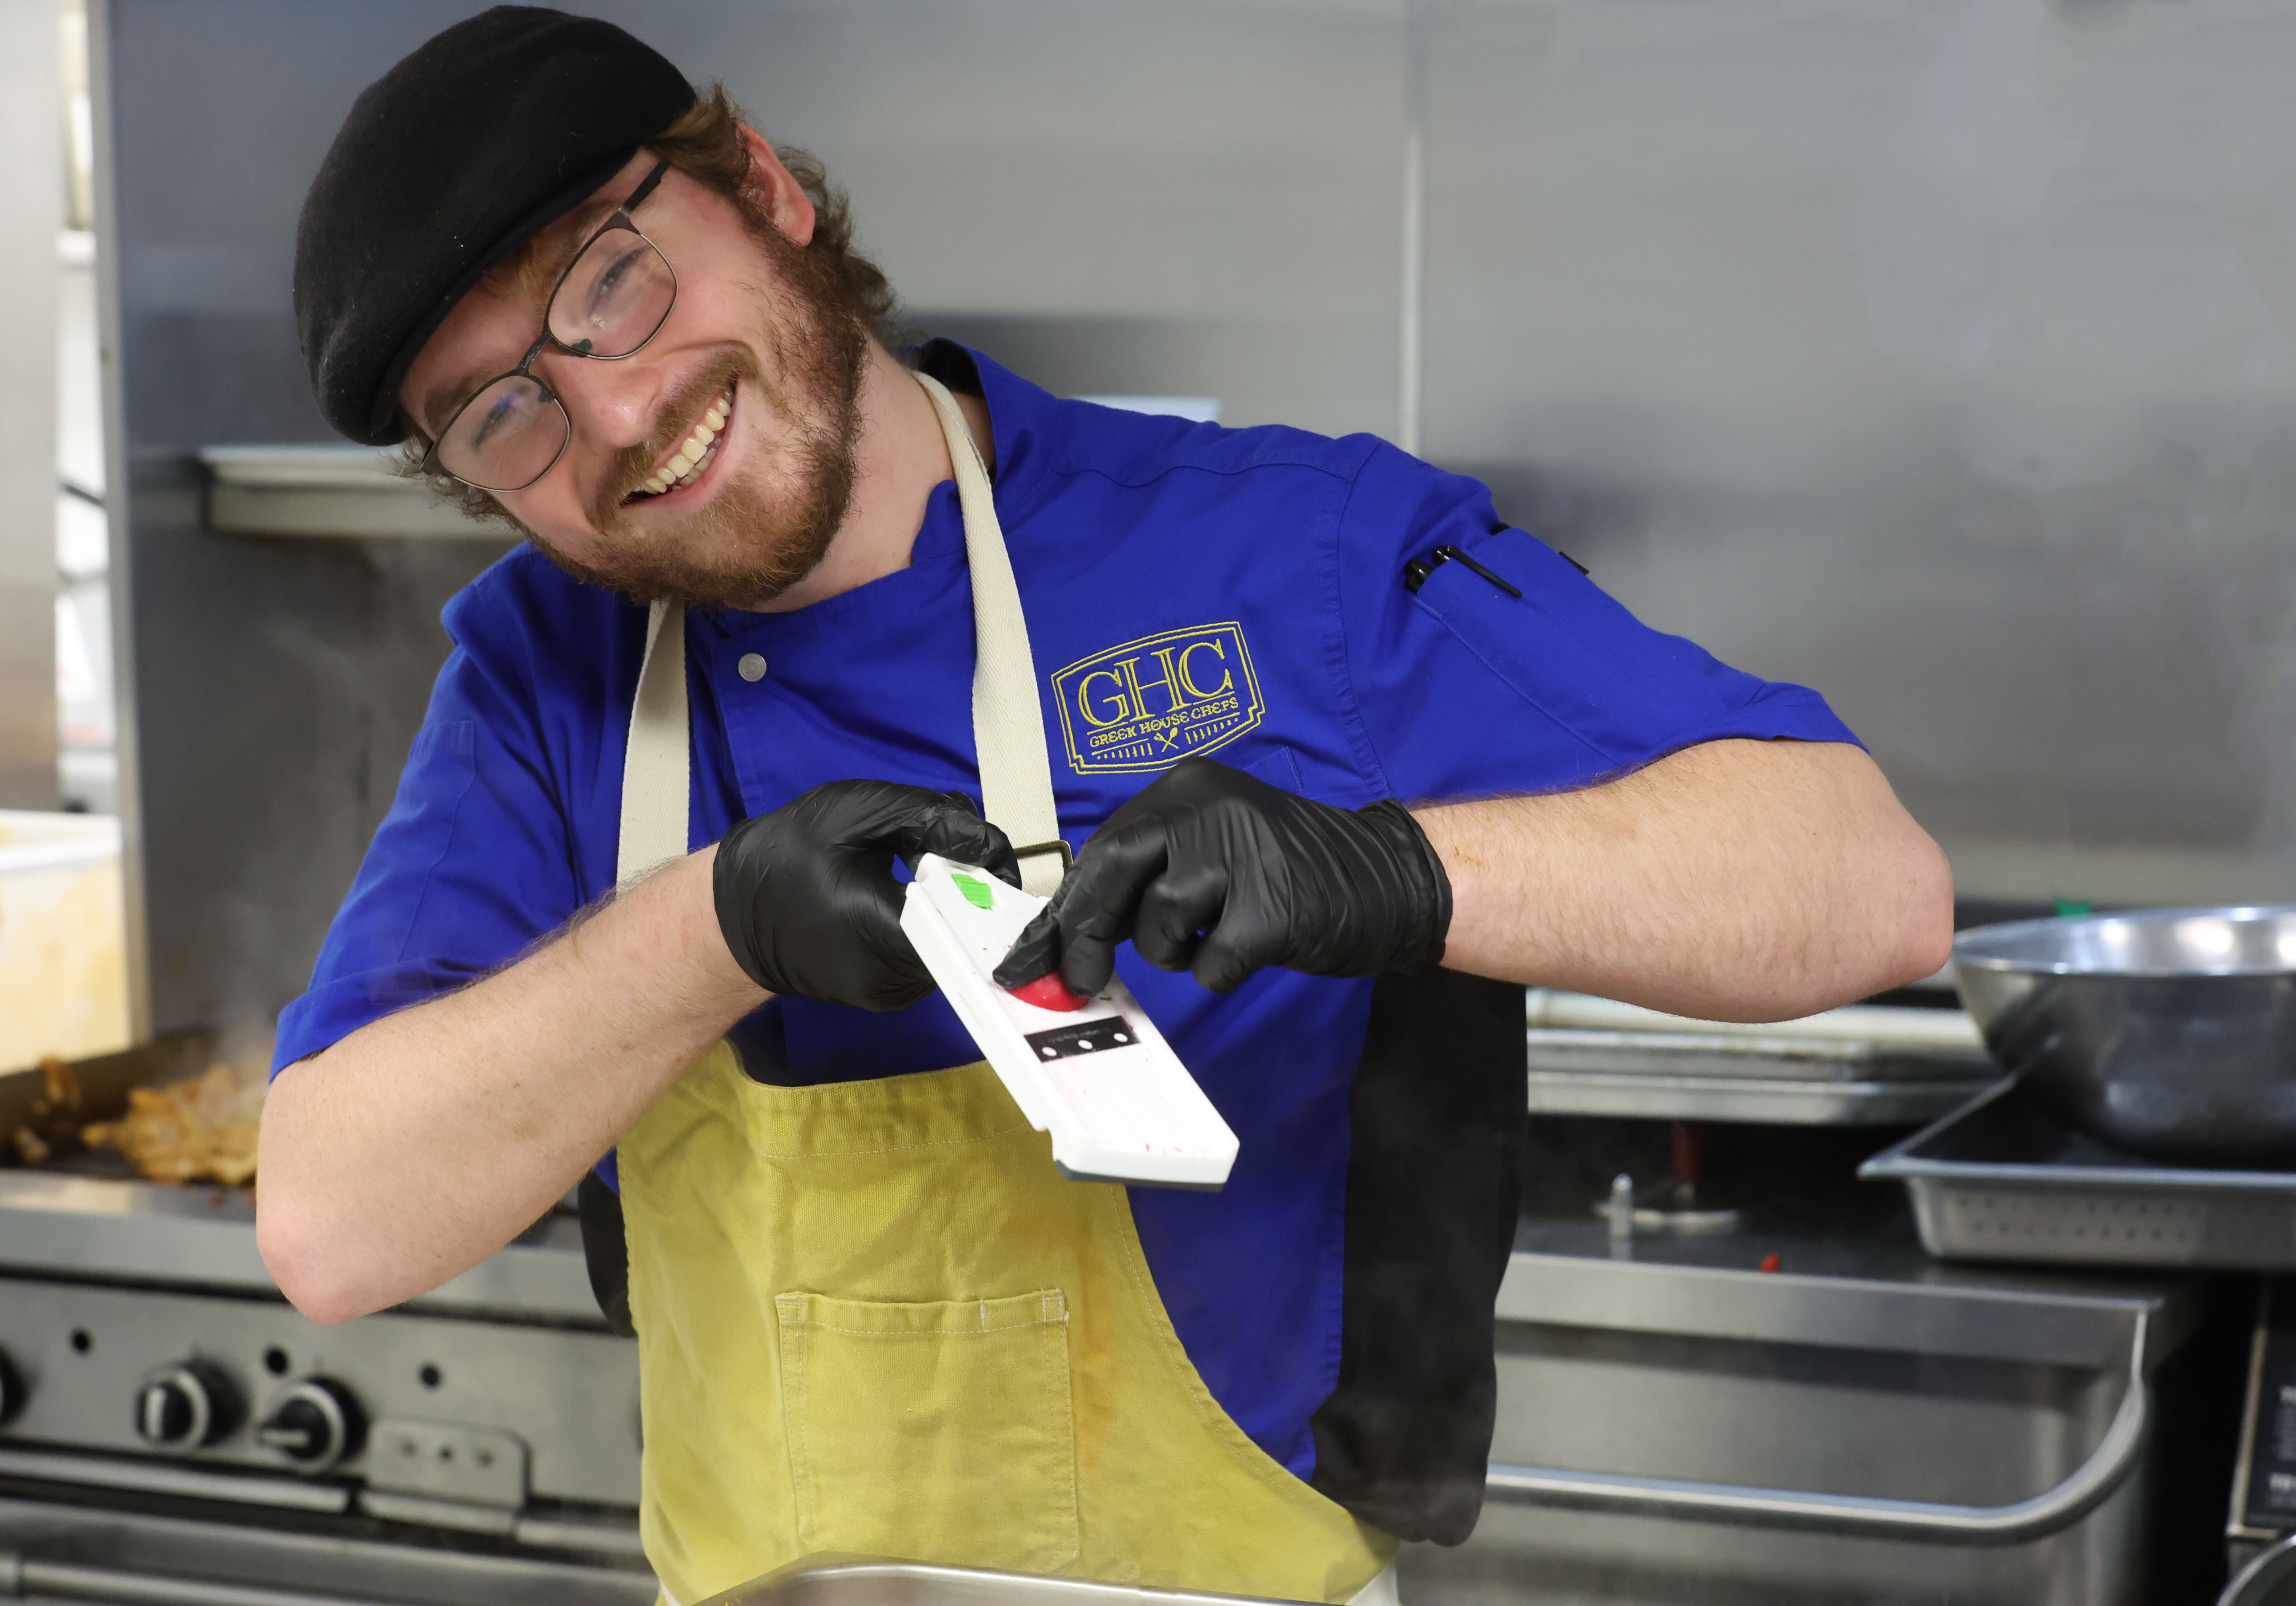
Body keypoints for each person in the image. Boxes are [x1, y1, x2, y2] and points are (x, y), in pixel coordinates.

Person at [258, 8, 1954, 1602]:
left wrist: (1393, 868)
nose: (615, 412)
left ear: (764, 189)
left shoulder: (1295, 551)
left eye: (613, 285)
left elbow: (1864, 887)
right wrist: (708, 932)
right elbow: (334, 1228)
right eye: (504, 415)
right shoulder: (548, 675)